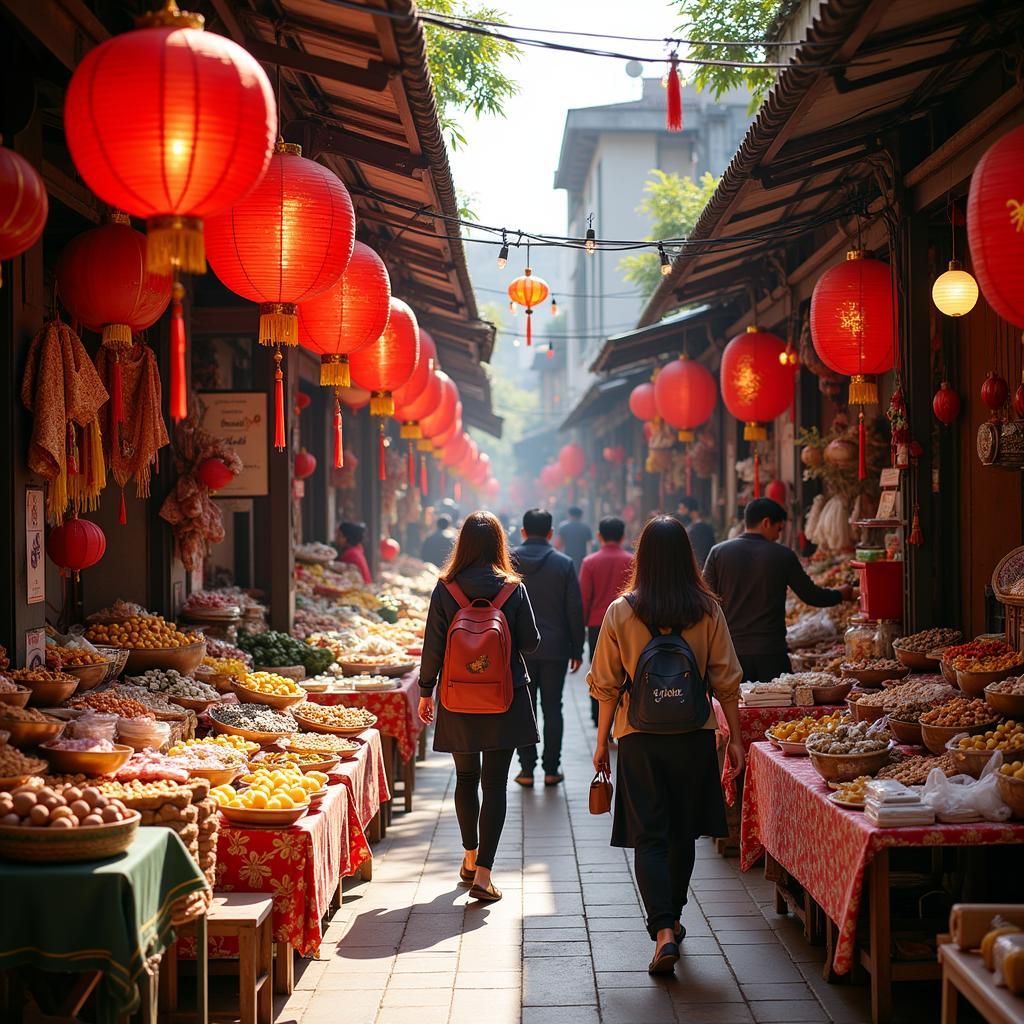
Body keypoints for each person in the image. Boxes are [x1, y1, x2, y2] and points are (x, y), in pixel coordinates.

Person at [589, 515, 744, 975]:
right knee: (683, 833)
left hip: (638, 738)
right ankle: (674, 918)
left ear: (643, 558)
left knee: (650, 837)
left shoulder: (621, 611)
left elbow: (605, 685)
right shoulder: (707, 608)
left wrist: (602, 743)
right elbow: (727, 680)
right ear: (687, 557)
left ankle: (661, 932)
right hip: (694, 735)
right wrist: (733, 737)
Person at [417, 511, 540, 903]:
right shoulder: (512, 588)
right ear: (500, 544)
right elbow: (531, 642)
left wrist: (425, 691)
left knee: (466, 778)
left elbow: (433, 645)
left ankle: (469, 857)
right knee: (495, 784)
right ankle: (484, 875)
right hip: (504, 696)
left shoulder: (446, 588)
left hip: (457, 696)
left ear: (462, 543)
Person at [702, 497, 854, 682]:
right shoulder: (783, 555)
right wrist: (842, 593)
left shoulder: (718, 553)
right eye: (778, 529)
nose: (778, 536)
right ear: (766, 522)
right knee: (777, 706)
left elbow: (705, 599)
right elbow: (812, 596)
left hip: (731, 652)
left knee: (736, 709)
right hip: (771, 653)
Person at [513, 508, 584, 787]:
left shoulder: (509, 562)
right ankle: (552, 768)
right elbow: (574, 610)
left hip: (519, 650)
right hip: (555, 649)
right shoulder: (564, 564)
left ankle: (527, 769)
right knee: (553, 707)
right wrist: (577, 650)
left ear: (523, 532)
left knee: (524, 708)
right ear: (552, 533)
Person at [579, 516, 633, 726]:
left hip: (597, 624)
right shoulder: (631, 561)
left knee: (599, 672)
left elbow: (585, 597)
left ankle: (598, 716)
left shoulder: (590, 562)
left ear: (599, 536)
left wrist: (582, 625)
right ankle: (624, 716)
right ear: (623, 536)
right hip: (628, 625)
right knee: (627, 671)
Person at [679, 496, 716, 568]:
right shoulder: (691, 527)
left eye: (682, 509)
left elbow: (701, 556)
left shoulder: (701, 529)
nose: (680, 512)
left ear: (691, 511)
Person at [555, 506, 593, 573]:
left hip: (567, 558)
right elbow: (590, 545)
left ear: (569, 515)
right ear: (581, 516)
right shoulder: (586, 528)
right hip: (582, 559)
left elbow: (558, 545)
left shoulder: (564, 528)